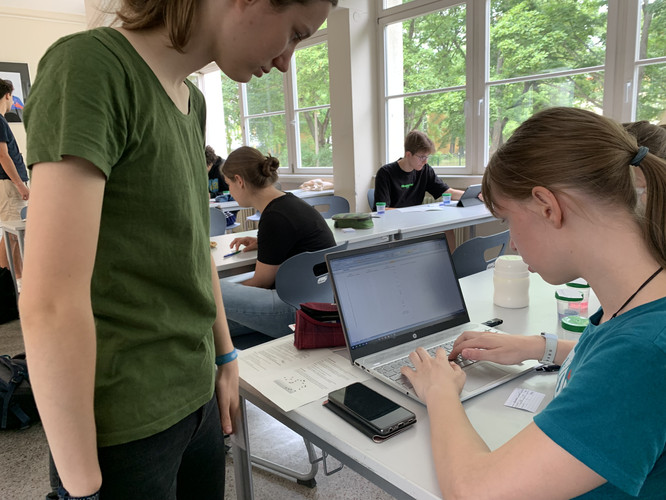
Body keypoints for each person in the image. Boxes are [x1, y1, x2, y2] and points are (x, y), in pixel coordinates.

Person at [19, 1, 335, 499]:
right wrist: (81, 488)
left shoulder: (193, 101)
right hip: (126, 423)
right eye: (294, 33)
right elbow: (49, 303)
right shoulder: (92, 66)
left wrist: (226, 356)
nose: (285, 61)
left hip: (198, 397)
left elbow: (193, 248)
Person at [401, 107, 666, 499]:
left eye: (507, 220)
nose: (511, 242)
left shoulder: (643, 355)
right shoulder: (638, 298)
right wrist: (539, 347)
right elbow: (612, 355)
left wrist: (439, 391)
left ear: (547, 206)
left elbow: (473, 492)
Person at [219, 146, 336, 338]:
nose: (229, 191)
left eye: (228, 184)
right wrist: (263, 242)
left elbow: (261, 283)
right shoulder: (290, 203)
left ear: (239, 181)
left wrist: (235, 290)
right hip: (319, 303)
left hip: (294, 311)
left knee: (213, 289)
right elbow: (292, 241)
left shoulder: (274, 217)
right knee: (214, 324)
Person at [373, 130, 464, 210]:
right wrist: (411, 213)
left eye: (427, 157)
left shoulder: (425, 170)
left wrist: (471, 195)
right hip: (393, 222)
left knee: (446, 221)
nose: (425, 161)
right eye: (421, 157)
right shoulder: (385, 173)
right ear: (408, 155)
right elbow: (382, 210)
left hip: (416, 220)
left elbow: (448, 192)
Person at [0, 79, 29, 280]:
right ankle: (7, 281)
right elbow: (3, 155)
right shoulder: (0, 121)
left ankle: (17, 276)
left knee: (16, 235)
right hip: (9, 184)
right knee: (12, 234)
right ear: (8, 95)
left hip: (9, 184)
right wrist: (20, 185)